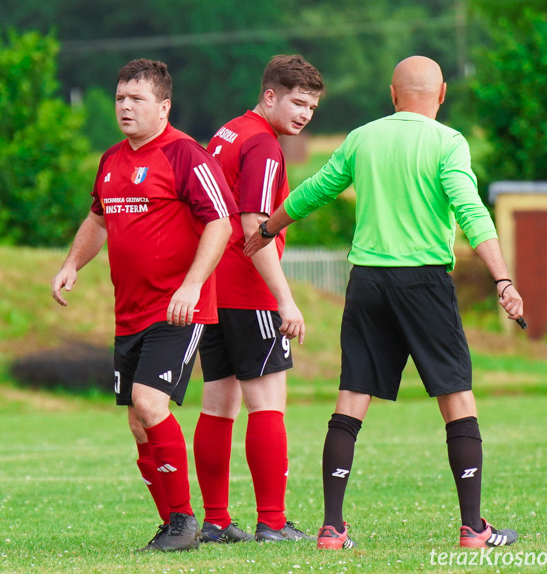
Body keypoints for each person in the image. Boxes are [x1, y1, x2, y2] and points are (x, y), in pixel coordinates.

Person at [243, 55, 524, 550]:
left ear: (393, 95)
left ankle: (331, 528)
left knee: (352, 396)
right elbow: (471, 211)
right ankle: (473, 528)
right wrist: (502, 279)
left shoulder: (363, 137)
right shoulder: (448, 142)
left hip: (368, 282)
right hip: (424, 283)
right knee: (456, 396)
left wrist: (268, 228)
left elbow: (317, 191)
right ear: (441, 96)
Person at [51, 59, 236, 552]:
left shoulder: (186, 156)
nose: (125, 107)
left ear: (164, 106)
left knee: (149, 404)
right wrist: (72, 264)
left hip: (177, 309)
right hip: (129, 311)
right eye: (119, 98)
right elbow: (98, 219)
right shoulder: (111, 159)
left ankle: (184, 522)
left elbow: (221, 223)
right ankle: (173, 526)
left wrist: (192, 285)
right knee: (137, 421)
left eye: (137, 99)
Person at [194, 55, 323, 544]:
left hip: (213, 288)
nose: (305, 113)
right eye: (297, 101)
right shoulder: (264, 146)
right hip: (248, 290)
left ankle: (217, 520)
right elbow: (254, 228)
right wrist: (285, 300)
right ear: (270, 95)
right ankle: (271, 522)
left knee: (218, 402)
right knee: (267, 402)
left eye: (311, 106)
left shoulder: (228, 131)